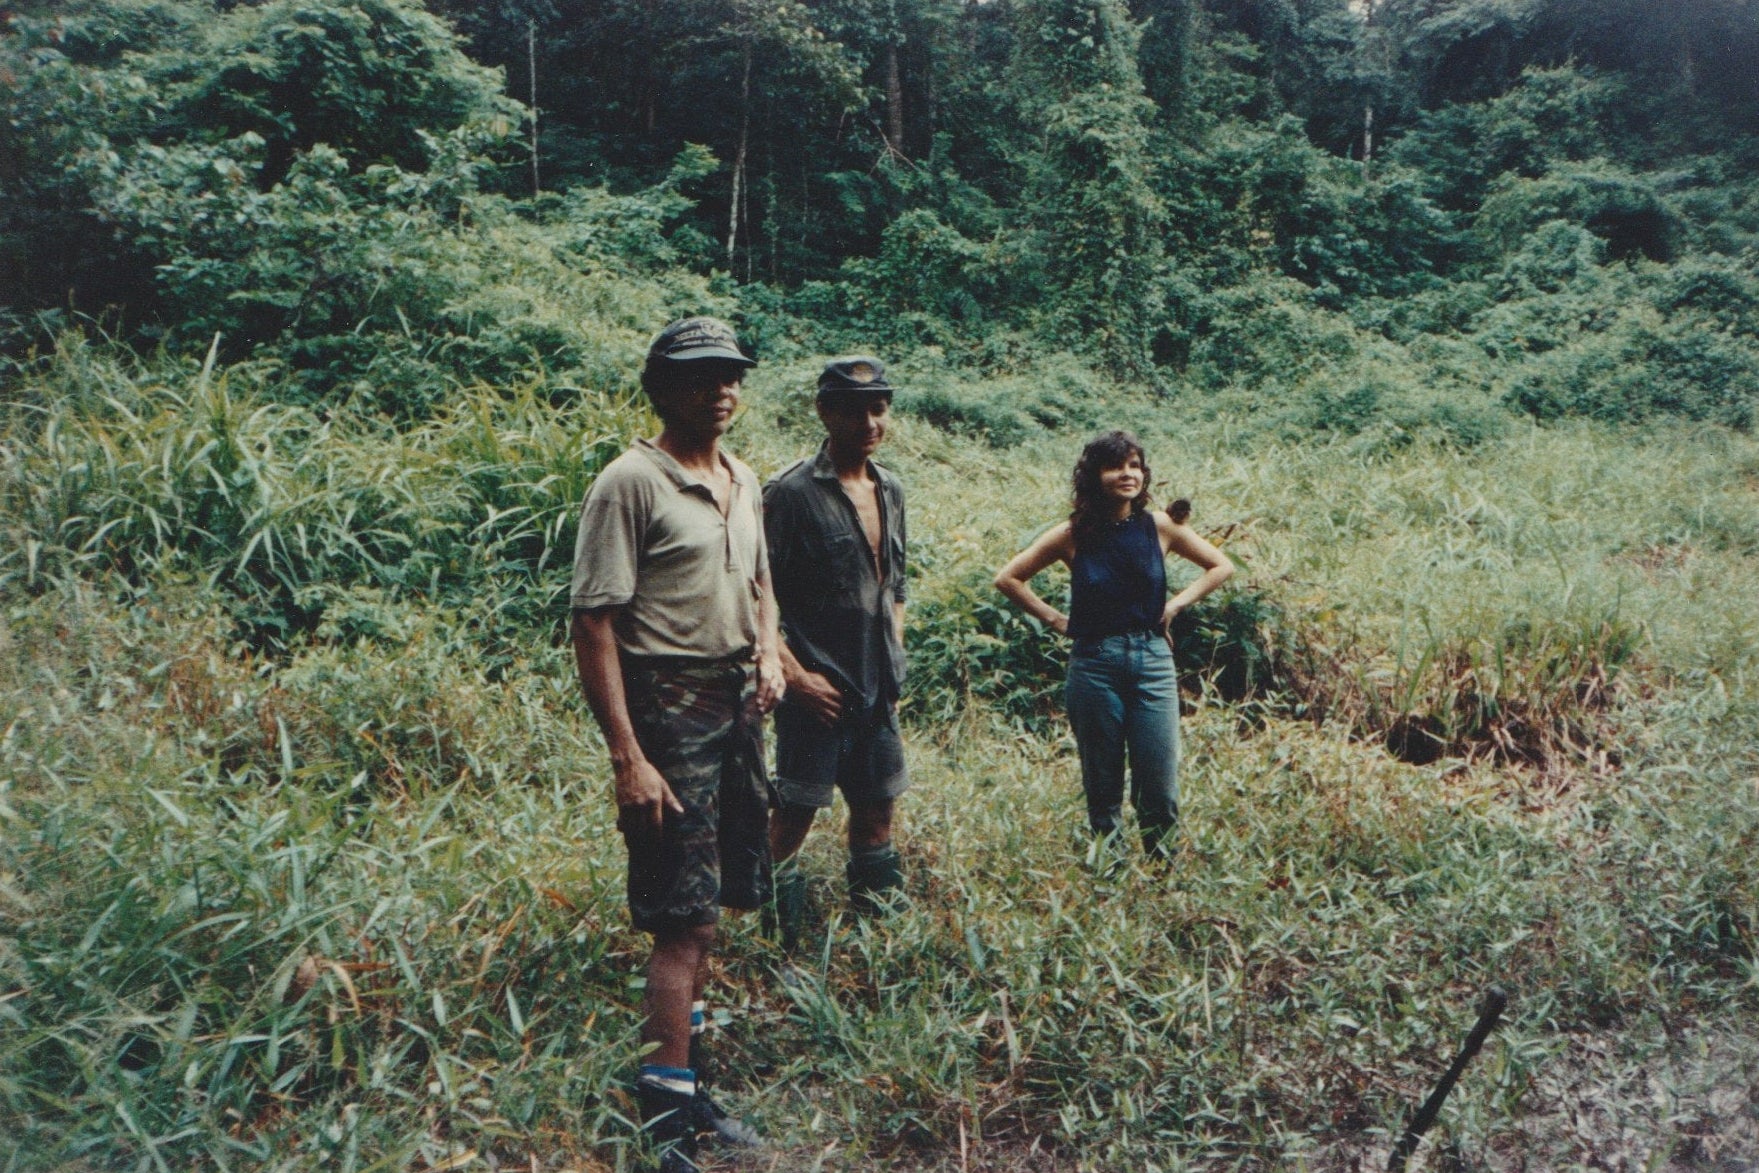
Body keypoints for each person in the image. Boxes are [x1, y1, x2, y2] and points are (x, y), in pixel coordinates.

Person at [569, 316, 785, 1171]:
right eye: (700, 377)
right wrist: (629, 755)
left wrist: (769, 649)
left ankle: (689, 1088)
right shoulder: (630, 482)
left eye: (731, 375)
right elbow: (593, 624)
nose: (720, 389)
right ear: (661, 389)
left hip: (737, 704)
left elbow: (761, 581)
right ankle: (662, 1125)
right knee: (681, 921)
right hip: (667, 707)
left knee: (714, 912)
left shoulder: (742, 476)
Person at [993, 429, 1234, 864]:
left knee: (1158, 781)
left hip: (1153, 661)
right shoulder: (1071, 533)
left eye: (1135, 466)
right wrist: (1054, 619)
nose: (1128, 475)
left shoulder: (1159, 526)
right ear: (1093, 475)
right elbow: (1008, 578)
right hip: (1094, 664)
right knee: (1102, 782)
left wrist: (1176, 605)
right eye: (1116, 466)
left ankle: (1163, 873)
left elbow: (1220, 566)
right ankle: (1111, 872)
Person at [762, 357, 910, 949]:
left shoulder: (890, 487)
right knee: (793, 816)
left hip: (878, 688)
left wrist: (894, 652)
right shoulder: (790, 493)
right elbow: (755, 596)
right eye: (853, 410)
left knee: (876, 813)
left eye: (878, 409)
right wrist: (796, 679)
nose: (869, 422)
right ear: (825, 412)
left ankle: (881, 942)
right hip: (816, 692)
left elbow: (895, 584)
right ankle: (779, 947)